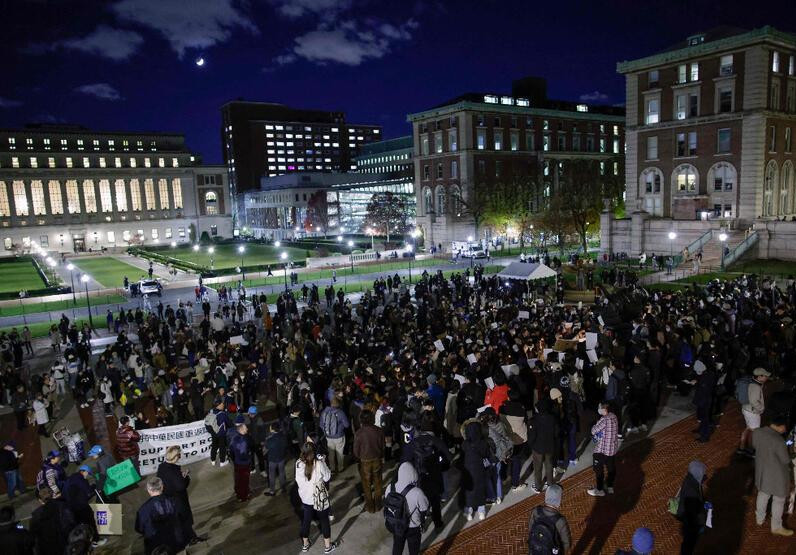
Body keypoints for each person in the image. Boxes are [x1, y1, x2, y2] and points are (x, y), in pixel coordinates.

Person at [751, 416, 793, 536]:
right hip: (777, 475)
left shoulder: (757, 432)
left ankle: (759, 519)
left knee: (763, 494)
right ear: (781, 426)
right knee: (779, 500)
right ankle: (776, 527)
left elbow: (755, 446)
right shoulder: (778, 441)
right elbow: (785, 460)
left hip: (762, 471)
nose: (785, 430)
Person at [295, 442, 338, 553]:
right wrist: (323, 461)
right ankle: (328, 547)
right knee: (324, 520)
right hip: (319, 498)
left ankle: (305, 545)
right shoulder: (318, 464)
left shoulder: (298, 463)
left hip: (306, 498)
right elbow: (327, 477)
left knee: (306, 520)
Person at [157, 446, 201, 544]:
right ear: (176, 456)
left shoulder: (162, 467)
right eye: (179, 455)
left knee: (180, 522)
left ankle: (192, 537)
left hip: (169, 499)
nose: (180, 457)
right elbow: (181, 486)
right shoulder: (173, 471)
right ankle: (188, 540)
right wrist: (186, 477)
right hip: (178, 500)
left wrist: (179, 477)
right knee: (184, 521)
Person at [384, 462, 429, 555]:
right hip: (412, 527)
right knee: (413, 550)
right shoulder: (417, 492)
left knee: (397, 546)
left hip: (396, 524)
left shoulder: (390, 487)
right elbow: (424, 508)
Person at [135, 477, 187, 555]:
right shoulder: (175, 501)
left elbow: (139, 528)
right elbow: (184, 517)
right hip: (177, 542)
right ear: (162, 487)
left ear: (149, 490)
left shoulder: (143, 510)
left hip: (155, 546)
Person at [63, 465, 106, 548]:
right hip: (81, 506)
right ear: (84, 472)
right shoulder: (81, 479)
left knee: (79, 526)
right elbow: (89, 492)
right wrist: (94, 486)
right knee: (90, 522)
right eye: (88, 473)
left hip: (71, 507)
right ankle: (95, 541)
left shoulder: (71, 478)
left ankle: (83, 543)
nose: (87, 475)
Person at [353, 409, 385, 513]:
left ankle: (370, 507)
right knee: (378, 482)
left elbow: (356, 451)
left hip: (364, 462)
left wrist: (359, 458)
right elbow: (382, 446)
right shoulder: (379, 431)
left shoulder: (359, 433)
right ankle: (378, 504)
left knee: (366, 485)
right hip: (376, 459)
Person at [460, 420, 492, 521]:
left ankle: (469, 512)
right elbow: (487, 454)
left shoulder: (465, 443)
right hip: (480, 470)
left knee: (469, 491)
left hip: (468, 470)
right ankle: (481, 512)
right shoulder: (483, 443)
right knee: (480, 490)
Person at [30, 487, 76, 555]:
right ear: (52, 494)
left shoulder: (36, 515)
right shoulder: (63, 506)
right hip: (65, 546)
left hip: (48, 549)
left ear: (40, 500)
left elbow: (34, 538)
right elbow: (71, 523)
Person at [676, 460, 709, 554]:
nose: (704, 476)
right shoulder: (693, 491)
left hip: (687, 522)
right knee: (689, 544)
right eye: (703, 474)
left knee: (687, 544)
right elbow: (695, 514)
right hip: (691, 526)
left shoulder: (689, 479)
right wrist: (704, 515)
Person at [528, 484, 571, 554]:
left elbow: (530, 530)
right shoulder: (560, 520)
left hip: (535, 550)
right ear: (559, 500)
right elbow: (567, 544)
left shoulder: (536, 511)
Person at [587, 402, 619, 497]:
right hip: (612, 449)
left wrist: (594, 425)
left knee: (598, 470)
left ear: (604, 410)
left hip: (602, 450)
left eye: (600, 408)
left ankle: (599, 489)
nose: (599, 409)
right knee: (611, 469)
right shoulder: (614, 416)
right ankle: (610, 486)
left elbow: (593, 431)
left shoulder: (604, 419)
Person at [528, 398, 558, 494]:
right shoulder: (552, 418)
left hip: (538, 448)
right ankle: (549, 483)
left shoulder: (533, 420)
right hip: (550, 446)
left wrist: (531, 445)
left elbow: (531, 436)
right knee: (549, 464)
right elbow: (556, 432)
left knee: (538, 467)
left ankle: (538, 487)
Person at [739, 368, 770, 455]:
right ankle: (750, 449)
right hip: (752, 412)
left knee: (748, 428)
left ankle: (742, 447)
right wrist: (761, 409)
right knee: (754, 432)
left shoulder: (752, 381)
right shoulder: (755, 386)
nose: (767, 377)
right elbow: (753, 401)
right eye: (765, 376)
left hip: (746, 409)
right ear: (759, 376)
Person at [320, 396, 350, 474]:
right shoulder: (340, 412)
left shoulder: (324, 412)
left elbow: (321, 425)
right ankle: (340, 467)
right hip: (339, 436)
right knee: (339, 452)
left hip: (328, 436)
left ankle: (332, 468)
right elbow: (347, 425)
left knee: (331, 452)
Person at [229, 422, 254, 501]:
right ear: (241, 430)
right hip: (244, 464)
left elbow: (231, 452)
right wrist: (249, 458)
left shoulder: (234, 438)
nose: (247, 429)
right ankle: (244, 496)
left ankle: (239, 493)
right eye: (246, 428)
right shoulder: (243, 440)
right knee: (244, 480)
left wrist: (235, 460)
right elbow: (243, 454)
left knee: (238, 479)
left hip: (237, 463)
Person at [264, 422, 288, 496]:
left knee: (272, 475)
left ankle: (272, 491)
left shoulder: (269, 440)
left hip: (272, 460)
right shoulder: (283, 436)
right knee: (282, 473)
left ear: (272, 429)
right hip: (281, 457)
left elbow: (265, 450)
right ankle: (283, 488)